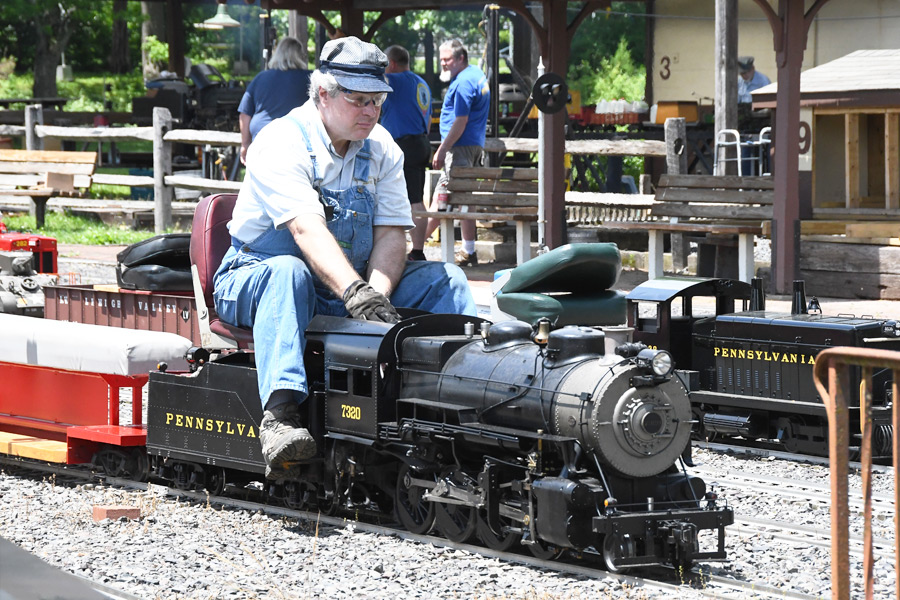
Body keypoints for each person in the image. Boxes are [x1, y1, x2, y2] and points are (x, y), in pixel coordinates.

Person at [214, 36, 477, 479]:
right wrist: (356, 292)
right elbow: (305, 229)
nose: (371, 112)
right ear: (323, 94)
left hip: (347, 285)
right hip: (256, 278)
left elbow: (392, 233)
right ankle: (279, 416)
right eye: (359, 100)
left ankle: (466, 392)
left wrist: (376, 293)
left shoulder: (383, 149)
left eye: (377, 101)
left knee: (445, 278)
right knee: (288, 271)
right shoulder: (281, 141)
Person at [424, 39, 490, 267]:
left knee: (440, 198)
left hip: (459, 148)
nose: (443, 63)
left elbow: (460, 122)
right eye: (441, 59)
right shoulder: (476, 74)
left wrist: (442, 149)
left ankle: (414, 248)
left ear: (461, 57)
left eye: (447, 59)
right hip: (474, 145)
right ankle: (469, 250)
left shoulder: (462, 84)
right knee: (466, 199)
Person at [381, 45, 433, 261]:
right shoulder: (422, 83)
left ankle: (393, 249)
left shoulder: (395, 81)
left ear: (391, 64)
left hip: (403, 145)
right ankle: (418, 250)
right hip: (421, 141)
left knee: (395, 199)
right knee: (416, 199)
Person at [237, 37, 312, 164]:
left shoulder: (260, 78)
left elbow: (245, 114)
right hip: (297, 145)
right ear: (300, 56)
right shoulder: (310, 78)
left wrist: (245, 144)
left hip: (262, 142)